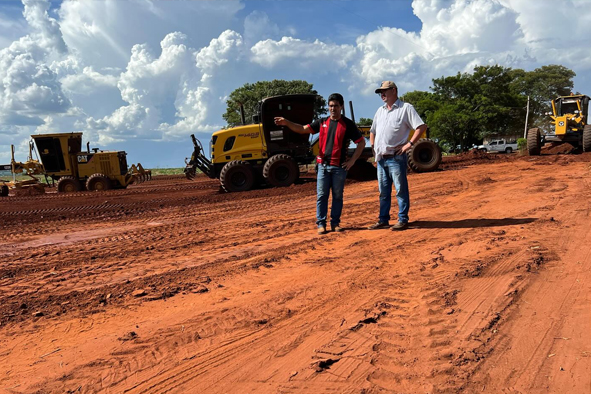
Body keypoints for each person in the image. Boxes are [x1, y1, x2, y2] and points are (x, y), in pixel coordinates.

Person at [274, 93, 366, 235]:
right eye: (330, 106)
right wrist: (287, 123)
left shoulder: (347, 124)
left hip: (339, 167)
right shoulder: (322, 122)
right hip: (322, 166)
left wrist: (352, 161)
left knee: (337, 196)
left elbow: (361, 142)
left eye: (335, 106)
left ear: (341, 106)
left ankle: (335, 223)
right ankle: (321, 224)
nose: (332, 109)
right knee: (322, 196)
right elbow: (303, 129)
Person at [368, 81, 427, 231]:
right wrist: (373, 145)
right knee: (383, 192)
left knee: (400, 190)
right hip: (381, 159)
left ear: (394, 91)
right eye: (380, 92)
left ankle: (402, 219)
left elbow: (421, 127)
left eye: (384, 91)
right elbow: (372, 130)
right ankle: (383, 220)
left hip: (396, 157)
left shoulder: (406, 108)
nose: (382, 94)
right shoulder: (380, 111)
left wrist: (409, 144)